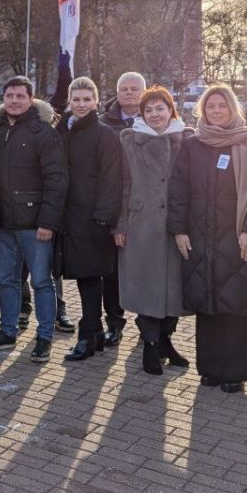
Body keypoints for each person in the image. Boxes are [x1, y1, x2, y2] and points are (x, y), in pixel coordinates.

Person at [168, 84, 247, 394]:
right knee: (207, 303)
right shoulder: (192, 145)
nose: (216, 111)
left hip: (238, 237)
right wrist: (179, 230)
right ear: (202, 109)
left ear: (232, 108)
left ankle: (236, 372)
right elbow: (178, 190)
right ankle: (210, 369)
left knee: (237, 305)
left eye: (222, 106)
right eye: (210, 106)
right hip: (200, 238)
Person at [0, 76, 68, 363]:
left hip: (35, 225)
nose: (14, 101)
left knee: (41, 282)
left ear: (31, 99)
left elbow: (57, 180)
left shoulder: (43, 132)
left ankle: (44, 338)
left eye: (20, 96)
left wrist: (48, 222)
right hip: (3, 224)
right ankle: (7, 332)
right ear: (2, 99)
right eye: (10, 96)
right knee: (6, 280)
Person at [114, 86, 191, 375]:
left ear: (171, 110)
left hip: (176, 227)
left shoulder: (187, 139)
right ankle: (149, 343)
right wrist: (120, 224)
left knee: (174, 289)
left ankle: (166, 341)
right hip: (140, 224)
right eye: (149, 110)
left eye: (160, 108)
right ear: (141, 114)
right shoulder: (129, 141)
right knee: (146, 285)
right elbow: (122, 185)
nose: (155, 114)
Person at [55, 78, 123, 362]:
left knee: (91, 277)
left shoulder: (104, 134)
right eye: (77, 99)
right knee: (85, 278)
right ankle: (93, 335)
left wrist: (102, 218)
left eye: (87, 99)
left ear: (96, 101)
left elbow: (113, 179)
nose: (81, 104)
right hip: (69, 218)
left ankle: (88, 335)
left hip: (92, 218)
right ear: (69, 101)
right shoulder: (62, 130)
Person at [96, 71, 147, 346]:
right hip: (114, 203)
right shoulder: (104, 123)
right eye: (124, 89)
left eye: (134, 88)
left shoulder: (155, 119)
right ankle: (114, 323)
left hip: (145, 208)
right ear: (117, 93)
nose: (128, 93)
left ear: (143, 91)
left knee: (142, 269)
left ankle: (147, 323)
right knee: (112, 272)